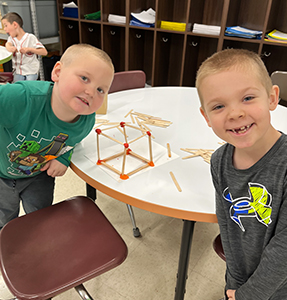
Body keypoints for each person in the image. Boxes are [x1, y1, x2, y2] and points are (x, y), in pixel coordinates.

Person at [196, 48, 287, 300]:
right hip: (241, 282)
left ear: (271, 98)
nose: (235, 113)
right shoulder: (219, 161)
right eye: (219, 106)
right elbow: (227, 227)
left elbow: (284, 248)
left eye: (247, 98)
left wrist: (250, 295)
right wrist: (236, 283)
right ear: (206, 116)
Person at [0, 43, 114, 229]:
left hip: (38, 176)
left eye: (101, 90)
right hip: (1, 176)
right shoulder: (20, 98)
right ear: (58, 73)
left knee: (41, 219)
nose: (91, 92)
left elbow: (71, 141)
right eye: (84, 78)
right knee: (4, 222)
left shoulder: (86, 121)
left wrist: (63, 157)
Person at [1, 12, 48, 82]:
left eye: (6, 26)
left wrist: (30, 49)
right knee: (18, 88)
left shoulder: (31, 38)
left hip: (31, 71)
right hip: (18, 72)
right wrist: (10, 48)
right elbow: (8, 44)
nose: (5, 29)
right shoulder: (11, 38)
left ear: (14, 25)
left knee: (28, 88)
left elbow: (44, 52)